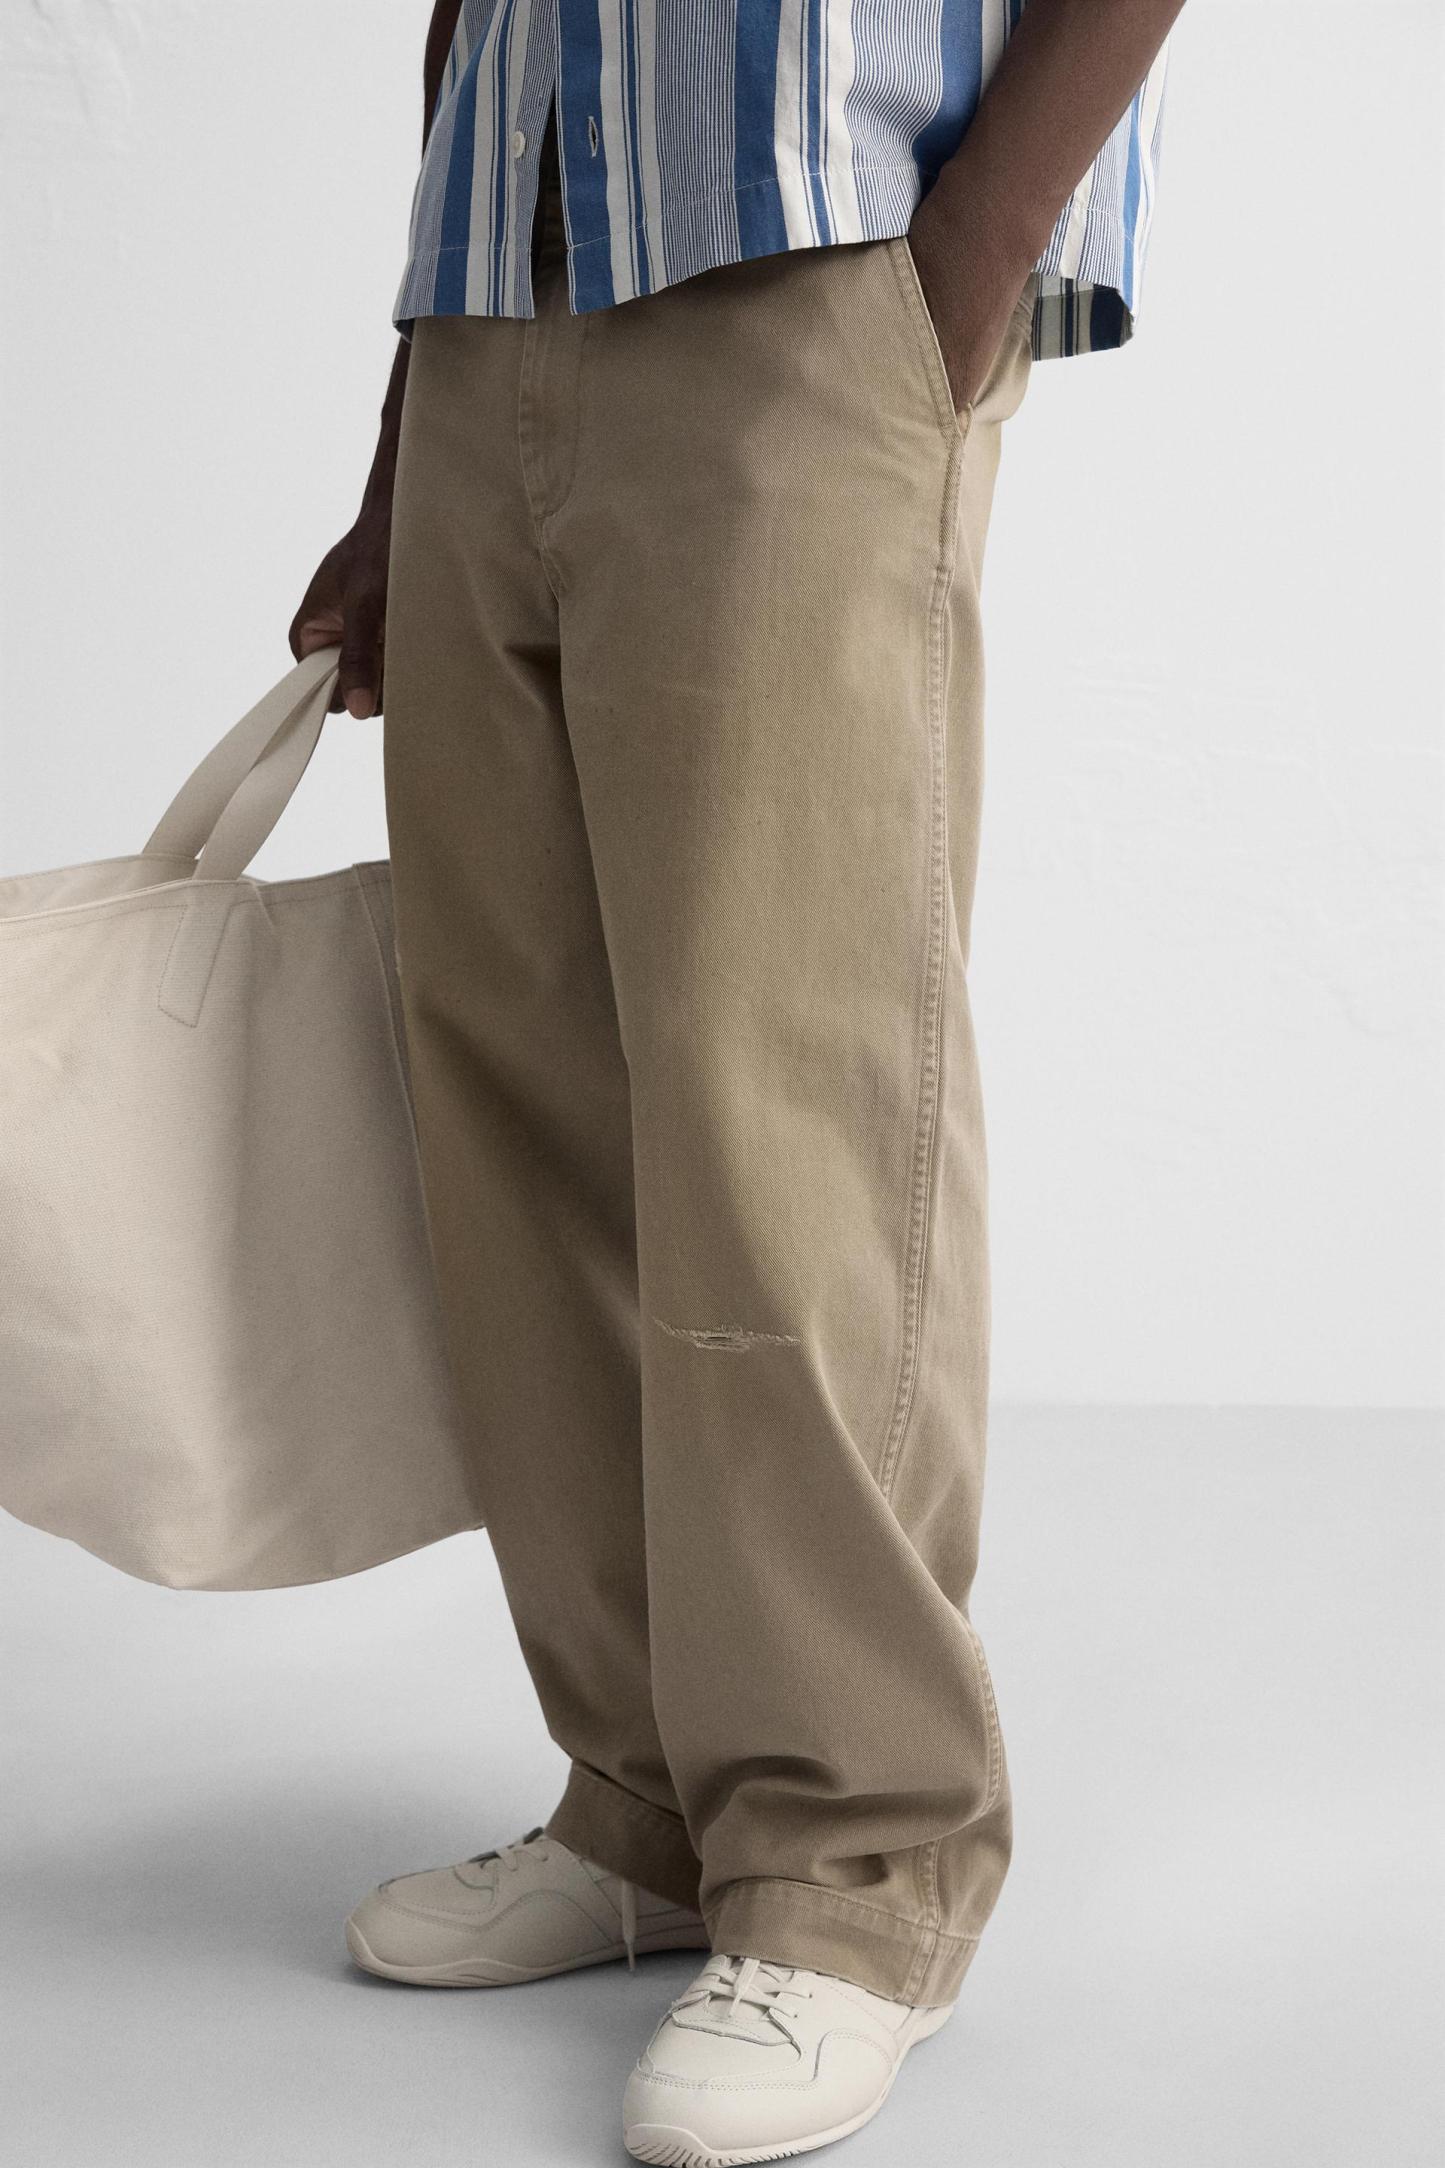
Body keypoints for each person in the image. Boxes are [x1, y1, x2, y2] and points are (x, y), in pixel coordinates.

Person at [291, 2, 1181, 2157]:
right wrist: (408, 429)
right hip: (498, 288)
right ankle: (651, 1802)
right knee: (518, 1091)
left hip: (813, 258)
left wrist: (967, 253)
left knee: (789, 1085)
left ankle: (857, 1868)